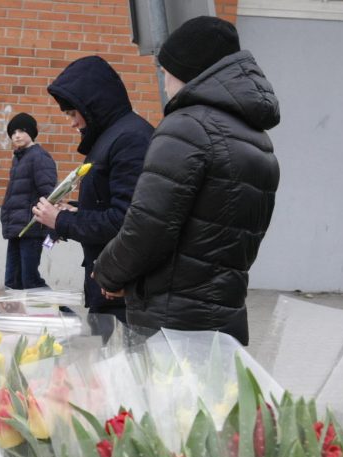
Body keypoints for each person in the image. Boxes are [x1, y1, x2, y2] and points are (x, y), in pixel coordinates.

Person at [91, 16, 280, 345]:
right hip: (224, 317)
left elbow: (147, 227)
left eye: (165, 73)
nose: (164, 84)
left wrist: (107, 273)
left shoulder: (187, 127)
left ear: (188, 71)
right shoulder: (257, 139)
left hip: (170, 323)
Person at [31, 56, 153, 324]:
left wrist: (61, 220)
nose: (73, 123)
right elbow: (107, 202)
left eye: (74, 114)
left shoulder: (129, 139)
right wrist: (75, 210)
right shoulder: (113, 136)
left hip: (120, 293)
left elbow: (125, 221)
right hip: (109, 283)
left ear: (94, 105)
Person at [0, 112, 56, 290]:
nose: (16, 135)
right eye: (13, 132)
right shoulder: (19, 158)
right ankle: (18, 315)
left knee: (30, 280)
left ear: (31, 132)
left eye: (21, 130)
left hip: (31, 229)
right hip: (17, 229)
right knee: (12, 281)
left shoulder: (38, 157)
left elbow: (50, 194)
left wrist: (53, 228)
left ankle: (57, 311)